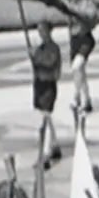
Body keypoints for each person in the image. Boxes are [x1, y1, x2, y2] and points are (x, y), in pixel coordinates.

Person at [30, 18, 64, 165]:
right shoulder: (40, 48)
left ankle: (46, 152)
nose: (41, 34)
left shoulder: (53, 48)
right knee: (45, 116)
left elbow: (49, 62)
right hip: (39, 84)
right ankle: (54, 145)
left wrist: (35, 57)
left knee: (45, 116)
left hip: (49, 84)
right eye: (39, 31)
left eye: (43, 31)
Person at [66, 0, 98, 116]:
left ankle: (76, 96)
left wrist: (78, 12)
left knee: (76, 66)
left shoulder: (87, 4)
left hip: (85, 38)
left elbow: (93, 21)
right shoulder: (68, 3)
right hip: (74, 40)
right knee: (79, 72)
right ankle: (86, 100)